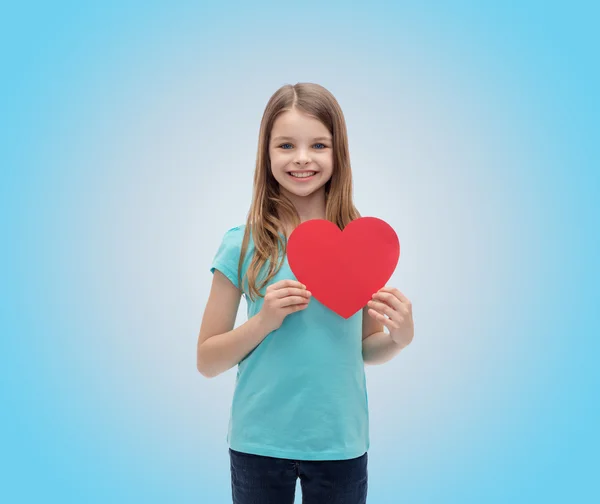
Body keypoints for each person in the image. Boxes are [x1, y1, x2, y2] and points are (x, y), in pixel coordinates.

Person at [197, 82, 415, 504]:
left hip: (340, 443)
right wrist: (264, 321)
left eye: (318, 144)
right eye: (285, 145)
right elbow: (207, 360)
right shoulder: (241, 245)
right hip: (258, 443)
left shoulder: (364, 245)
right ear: (267, 154)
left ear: (338, 154)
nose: (302, 158)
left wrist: (398, 339)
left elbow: (365, 349)